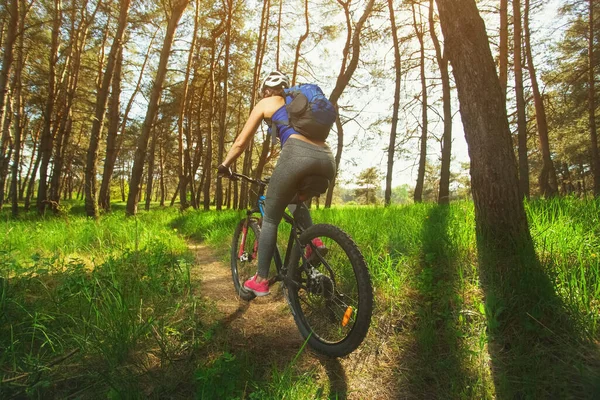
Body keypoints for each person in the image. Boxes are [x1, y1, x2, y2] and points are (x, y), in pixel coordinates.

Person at [217, 70, 336, 297]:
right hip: (327, 160)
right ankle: (314, 241)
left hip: (297, 156)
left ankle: (261, 279)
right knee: (293, 200)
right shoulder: (300, 103)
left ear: (266, 90)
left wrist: (225, 165)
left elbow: (241, 142)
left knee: (270, 216)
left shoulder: (267, 102)